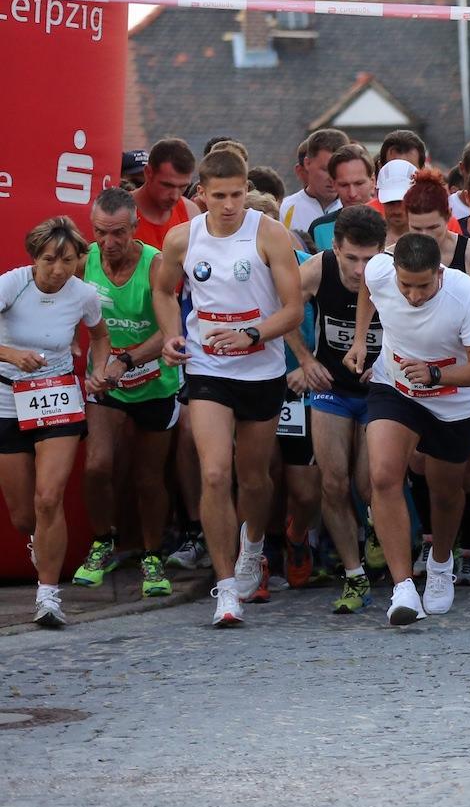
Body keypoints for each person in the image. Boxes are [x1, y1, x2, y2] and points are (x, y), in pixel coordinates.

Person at [157, 147, 313, 628]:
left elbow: (292, 310)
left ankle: (253, 546)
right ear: (199, 194)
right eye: (219, 196)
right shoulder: (183, 238)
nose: (229, 205)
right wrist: (171, 335)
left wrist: (250, 334)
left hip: (259, 369)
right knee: (214, 474)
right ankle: (226, 589)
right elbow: (164, 291)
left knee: (254, 478)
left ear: (248, 189)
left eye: (237, 194)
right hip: (206, 368)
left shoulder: (269, 234)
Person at [347, 232, 470, 624]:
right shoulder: (379, 271)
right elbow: (367, 288)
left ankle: (442, 562)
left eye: (423, 286)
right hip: (395, 388)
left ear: (440, 274)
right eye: (405, 285)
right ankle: (404, 589)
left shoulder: (464, 295)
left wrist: (436, 373)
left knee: (445, 491)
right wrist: (361, 339)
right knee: (382, 476)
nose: (413, 296)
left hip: (454, 402)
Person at [1, 219, 113, 626]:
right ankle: (39, 542)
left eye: (68, 260)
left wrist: (99, 368)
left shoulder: (83, 294)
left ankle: (48, 597)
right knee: (24, 514)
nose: (58, 269)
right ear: (35, 258)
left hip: (57, 396)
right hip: (8, 398)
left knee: (49, 497)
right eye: (50, 260)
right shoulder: (13, 283)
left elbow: (100, 335)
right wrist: (12, 356)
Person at [73, 190, 182, 602]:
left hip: (155, 382)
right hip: (105, 383)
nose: (109, 243)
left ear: (134, 228)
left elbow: (169, 330)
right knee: (97, 466)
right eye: (101, 232)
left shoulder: (155, 265)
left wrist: (128, 360)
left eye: (118, 233)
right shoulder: (85, 261)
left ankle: (152, 556)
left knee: (149, 477)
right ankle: (102, 543)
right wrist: (73, 348)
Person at [296, 204, 386, 614]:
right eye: (351, 258)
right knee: (332, 483)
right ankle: (354, 577)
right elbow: (281, 312)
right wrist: (305, 360)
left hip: (379, 389)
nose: (360, 269)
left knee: (369, 485)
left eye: (369, 259)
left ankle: (377, 529)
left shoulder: (393, 274)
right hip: (331, 386)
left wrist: (386, 366)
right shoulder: (317, 269)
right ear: (335, 248)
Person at [307, 145, 377, 251]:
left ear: (373, 181)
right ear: (333, 184)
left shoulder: (392, 222)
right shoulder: (319, 229)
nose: (352, 194)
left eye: (359, 183)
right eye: (344, 185)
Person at [132, 137, 197, 252]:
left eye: (183, 187)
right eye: (167, 185)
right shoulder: (121, 211)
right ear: (148, 173)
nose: (175, 196)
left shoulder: (190, 212)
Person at [283, 128, 347, 237]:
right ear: (307, 163)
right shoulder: (285, 209)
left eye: (337, 170)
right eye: (325, 169)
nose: (332, 178)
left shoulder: (357, 207)